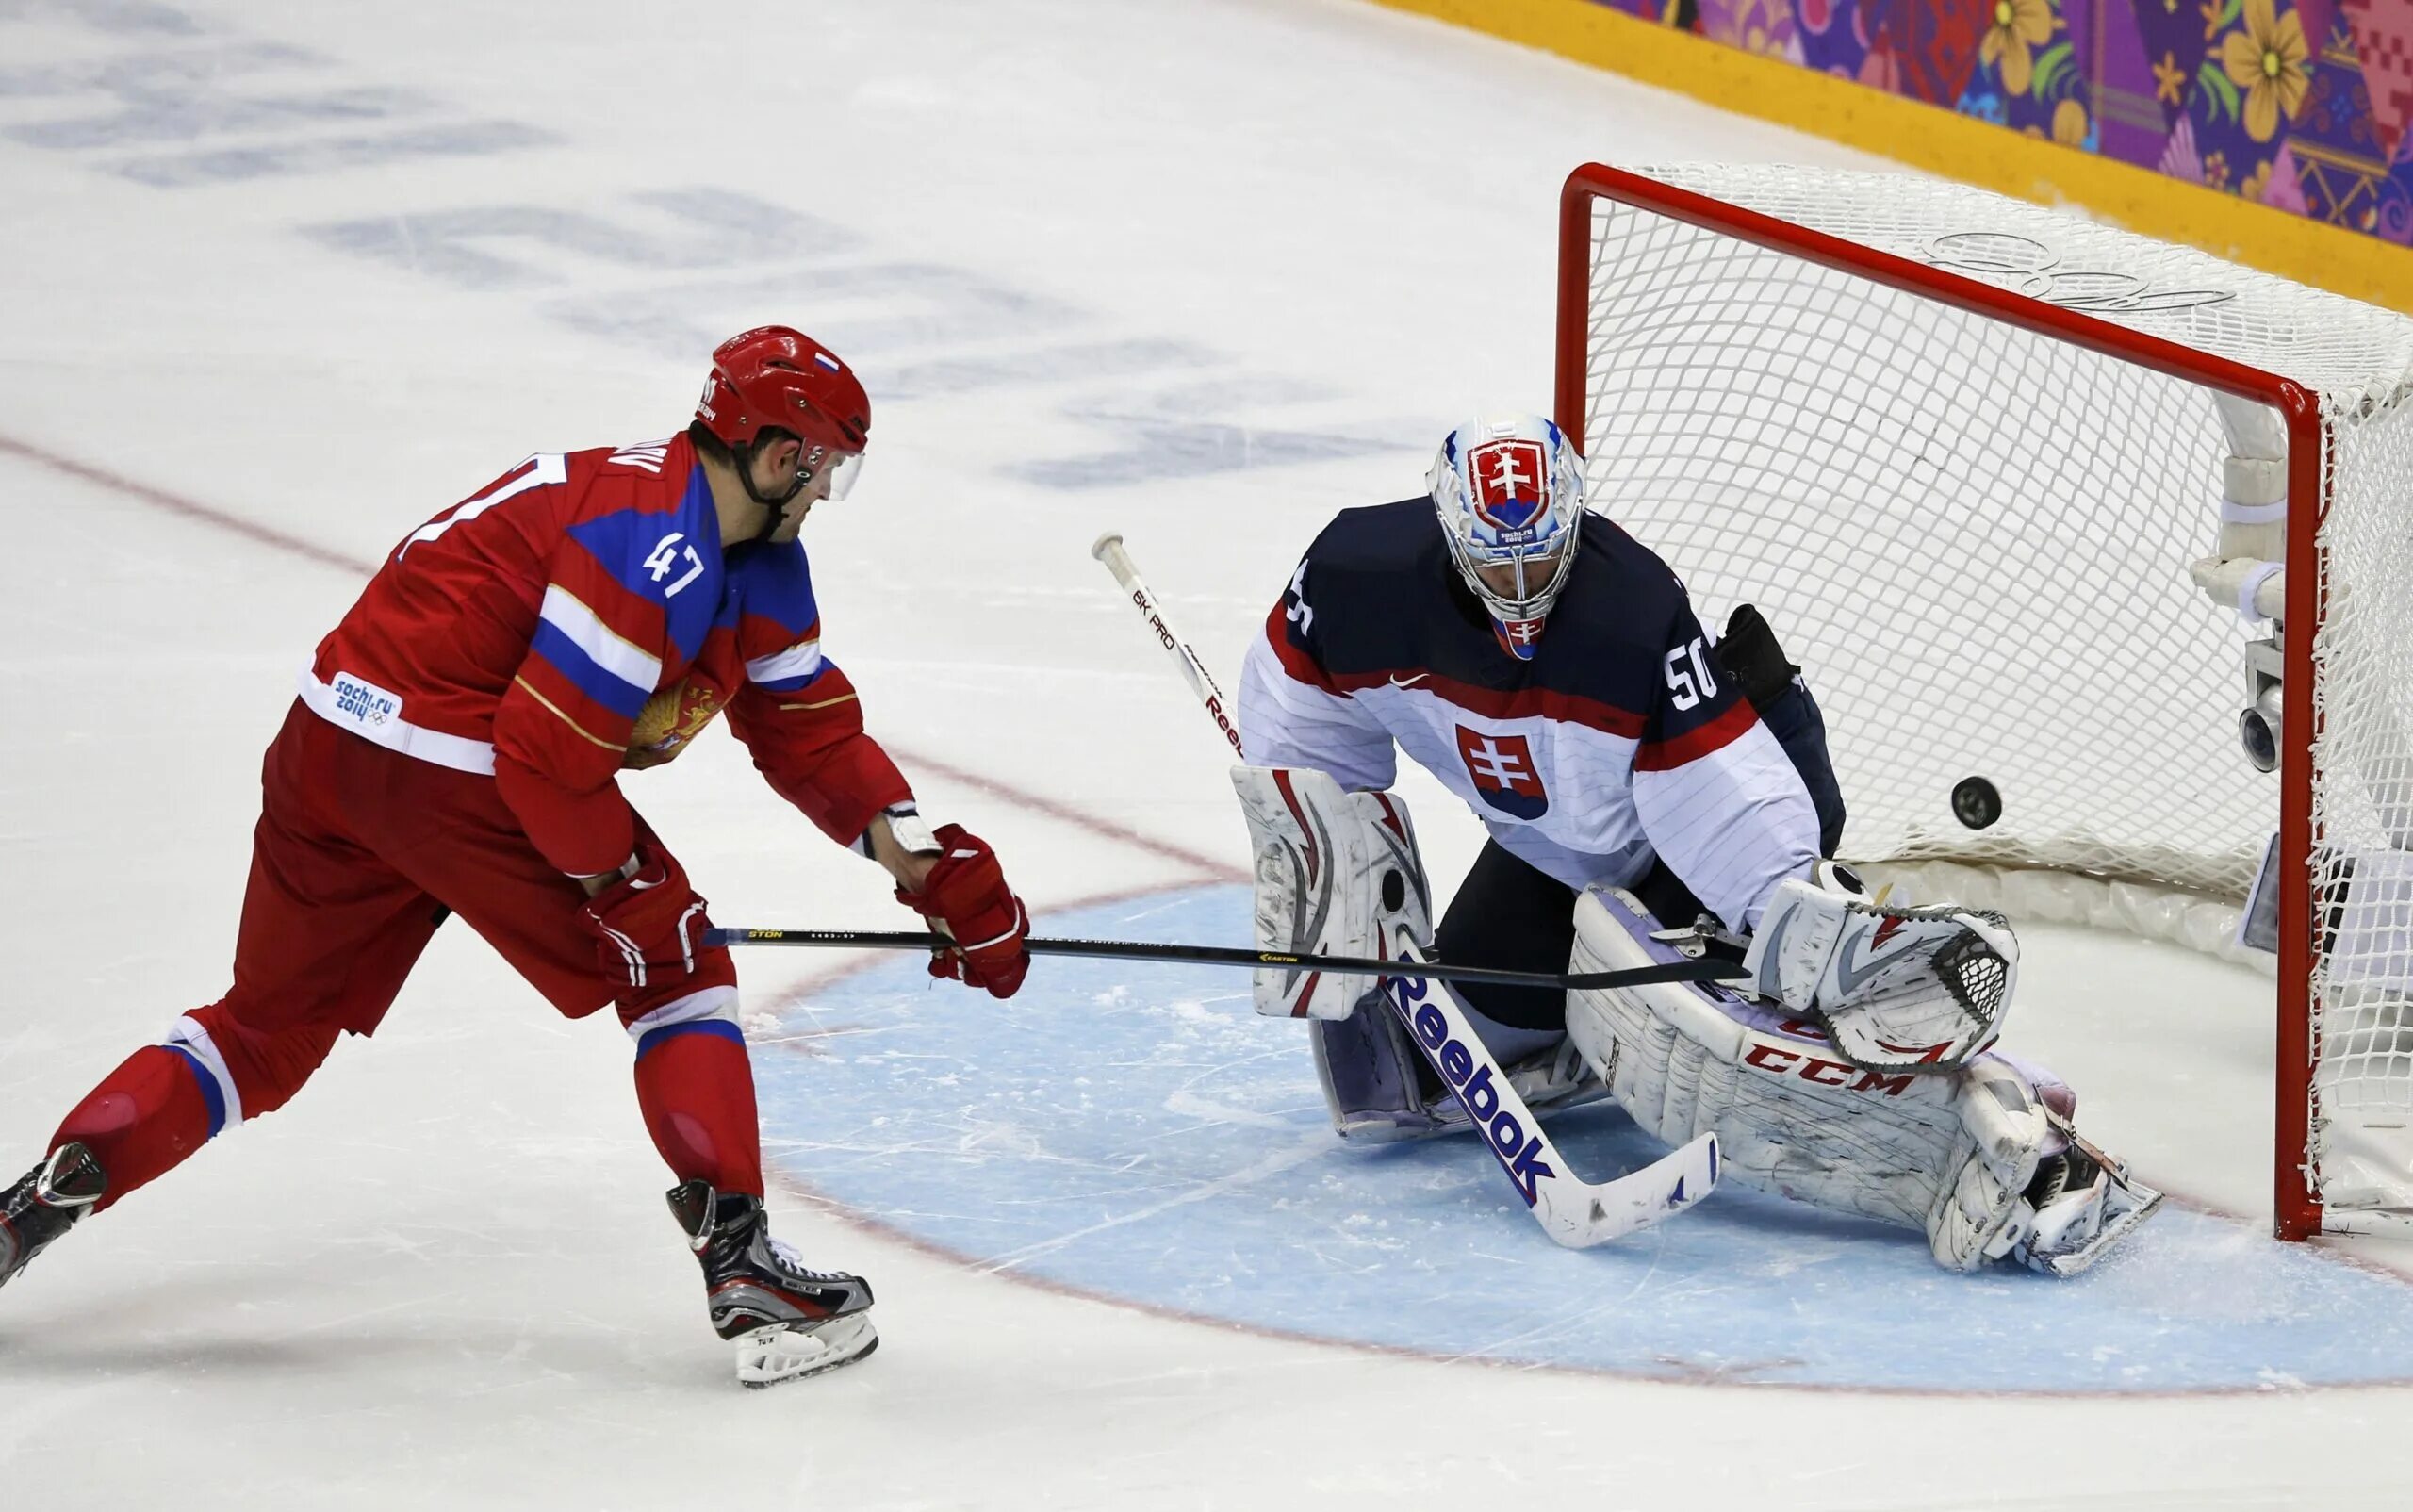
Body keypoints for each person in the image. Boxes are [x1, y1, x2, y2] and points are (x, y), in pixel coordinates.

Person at [0, 326, 1031, 1385]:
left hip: (331, 746)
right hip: (458, 765)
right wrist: (620, 891)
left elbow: (806, 728)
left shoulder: (723, 544)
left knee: (265, 1029)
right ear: (784, 456)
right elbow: (540, 763)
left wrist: (927, 862)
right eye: (830, 472)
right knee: (678, 972)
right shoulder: (653, 547)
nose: (825, 498)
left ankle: (43, 1196)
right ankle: (745, 1271)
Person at [1232, 413, 2159, 1275]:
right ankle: (1599, 1035)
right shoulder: (1356, 578)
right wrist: (1325, 836)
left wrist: (1785, 921)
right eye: (1495, 567)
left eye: (1539, 560)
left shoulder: (1626, 611)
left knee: (1721, 1043)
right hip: (1565, 845)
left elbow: (1723, 801)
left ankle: (2021, 1148)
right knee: (1424, 1061)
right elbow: (1303, 710)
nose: (1520, 592)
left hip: (1712, 812)